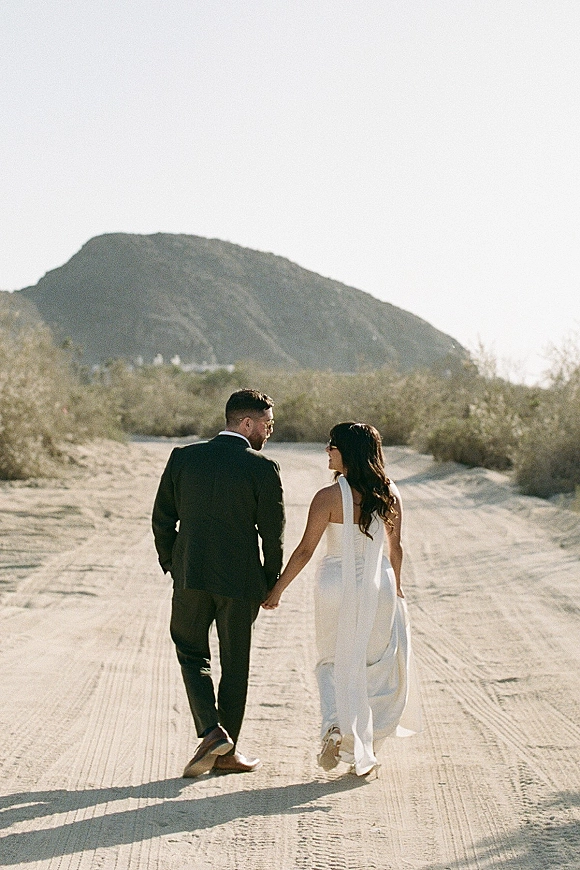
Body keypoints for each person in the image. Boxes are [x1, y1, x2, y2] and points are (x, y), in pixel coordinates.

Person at [262, 422, 421, 776]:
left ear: (347, 451)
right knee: (375, 664)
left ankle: (334, 724)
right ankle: (366, 749)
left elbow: (305, 550)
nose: (327, 451)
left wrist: (278, 589)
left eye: (332, 445)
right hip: (378, 585)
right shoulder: (389, 493)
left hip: (334, 584)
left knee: (331, 661)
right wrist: (396, 587)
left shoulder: (327, 497)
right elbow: (396, 549)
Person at [152, 389, 285, 777]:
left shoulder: (184, 457)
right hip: (241, 582)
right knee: (235, 664)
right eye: (266, 424)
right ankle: (224, 749)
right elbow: (272, 534)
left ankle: (212, 732)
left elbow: (162, 519)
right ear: (246, 423)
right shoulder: (263, 468)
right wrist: (270, 583)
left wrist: (175, 564)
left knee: (191, 653)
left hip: (191, 576)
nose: (269, 432)